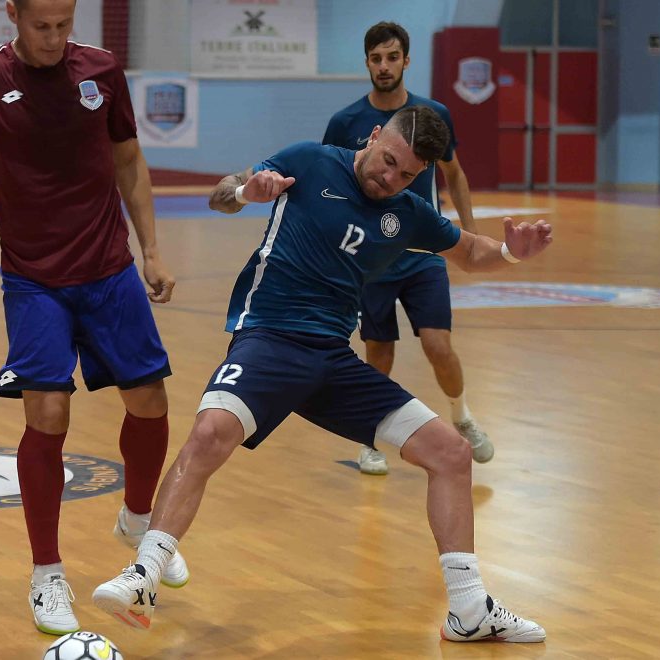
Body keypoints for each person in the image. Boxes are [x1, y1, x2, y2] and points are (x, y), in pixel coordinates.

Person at [93, 106, 550, 643]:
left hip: (332, 360)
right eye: (388, 161)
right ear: (374, 136)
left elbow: (469, 252)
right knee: (211, 432)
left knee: (450, 453)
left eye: (406, 174)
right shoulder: (309, 161)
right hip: (269, 340)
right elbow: (221, 195)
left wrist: (511, 254)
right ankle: (145, 575)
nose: (391, 178)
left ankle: (469, 609)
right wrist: (247, 192)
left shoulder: (407, 212)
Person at [0, 0, 188, 636]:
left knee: (150, 401)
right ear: (13, 14)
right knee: (47, 413)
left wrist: (151, 250)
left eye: (63, 25)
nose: (52, 38)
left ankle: (137, 518)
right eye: (40, 26)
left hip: (108, 268)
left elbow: (128, 160)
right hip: (33, 279)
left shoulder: (101, 70)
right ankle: (46, 574)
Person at [323, 22, 490, 475]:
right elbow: (330, 182)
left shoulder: (433, 114)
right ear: (366, 63)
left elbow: (454, 173)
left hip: (422, 257)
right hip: (371, 259)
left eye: (392, 57)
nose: (384, 66)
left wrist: (471, 235)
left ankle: (462, 415)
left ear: (406, 61)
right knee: (378, 352)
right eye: (376, 58)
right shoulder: (345, 122)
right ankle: (369, 439)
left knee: (438, 345)